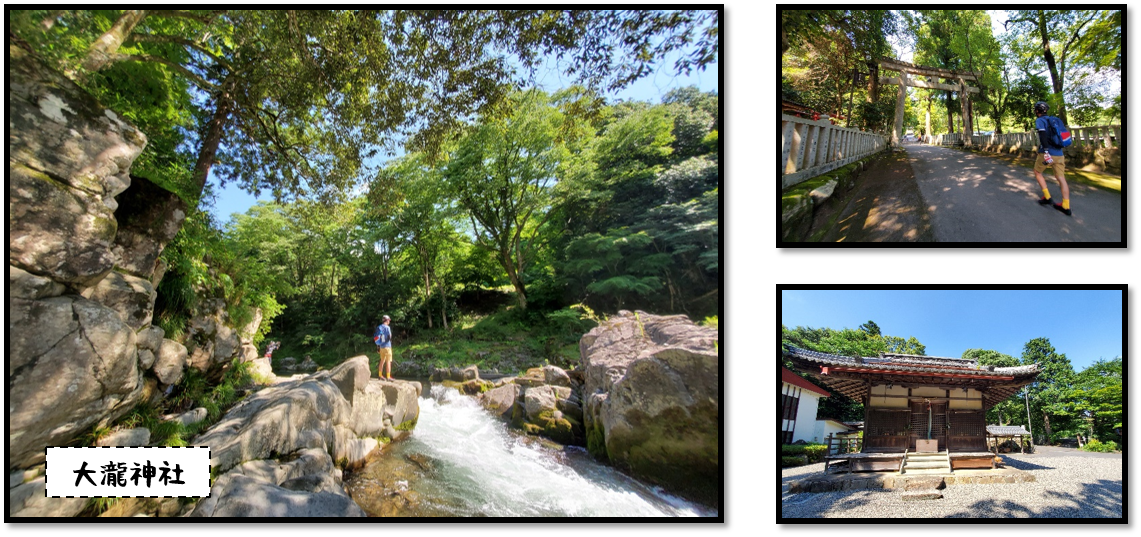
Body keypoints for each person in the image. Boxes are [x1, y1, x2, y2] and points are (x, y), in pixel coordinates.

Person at [1032, 101, 1071, 216]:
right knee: (1061, 178)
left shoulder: (1040, 120)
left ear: (1037, 111)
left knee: (1037, 172)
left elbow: (1042, 135)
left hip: (1047, 153)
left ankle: (1047, 197)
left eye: (1035, 109)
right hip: (1059, 154)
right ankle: (1066, 205)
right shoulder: (1054, 120)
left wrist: (1046, 151)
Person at [374, 315, 394, 380]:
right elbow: (389, 337)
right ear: (387, 320)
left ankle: (380, 375)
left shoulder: (379, 327)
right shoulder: (387, 327)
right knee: (388, 361)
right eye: (389, 320)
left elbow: (380, 338)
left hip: (381, 347)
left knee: (382, 361)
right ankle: (388, 377)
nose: (389, 321)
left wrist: (378, 347)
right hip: (387, 347)